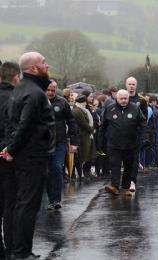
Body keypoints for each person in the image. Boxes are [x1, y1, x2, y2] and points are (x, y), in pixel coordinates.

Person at [2, 52, 55, 259]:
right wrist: (12, 149)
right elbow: (26, 125)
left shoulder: (19, 90)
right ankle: (21, 252)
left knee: (19, 203)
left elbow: (11, 123)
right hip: (32, 157)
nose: (47, 64)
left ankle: (17, 249)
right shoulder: (34, 93)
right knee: (28, 205)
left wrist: (10, 148)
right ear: (33, 68)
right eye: (43, 62)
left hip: (22, 155)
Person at [99, 90, 146, 196]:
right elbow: (103, 127)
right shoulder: (110, 108)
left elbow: (143, 123)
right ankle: (114, 186)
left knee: (128, 166)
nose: (124, 101)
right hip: (113, 144)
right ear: (117, 98)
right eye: (122, 98)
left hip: (131, 144)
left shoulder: (135, 108)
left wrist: (141, 137)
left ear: (128, 98)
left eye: (126, 98)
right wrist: (101, 142)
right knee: (114, 165)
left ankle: (125, 187)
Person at [45, 79, 78, 210]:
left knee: (57, 168)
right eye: (48, 90)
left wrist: (74, 142)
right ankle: (51, 199)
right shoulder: (39, 102)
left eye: (53, 90)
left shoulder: (62, 102)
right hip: (44, 143)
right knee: (47, 172)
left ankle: (57, 199)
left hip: (60, 142)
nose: (50, 92)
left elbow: (71, 121)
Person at [0, 61, 20, 259]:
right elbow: (16, 128)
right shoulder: (16, 98)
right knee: (10, 205)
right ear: (15, 77)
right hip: (8, 157)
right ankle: (12, 250)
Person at [72, 94, 95, 179]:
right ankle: (80, 174)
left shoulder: (83, 109)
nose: (86, 103)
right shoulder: (77, 111)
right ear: (83, 102)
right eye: (85, 102)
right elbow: (83, 123)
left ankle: (85, 172)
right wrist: (91, 130)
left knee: (88, 154)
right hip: (82, 136)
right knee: (82, 155)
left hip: (87, 135)